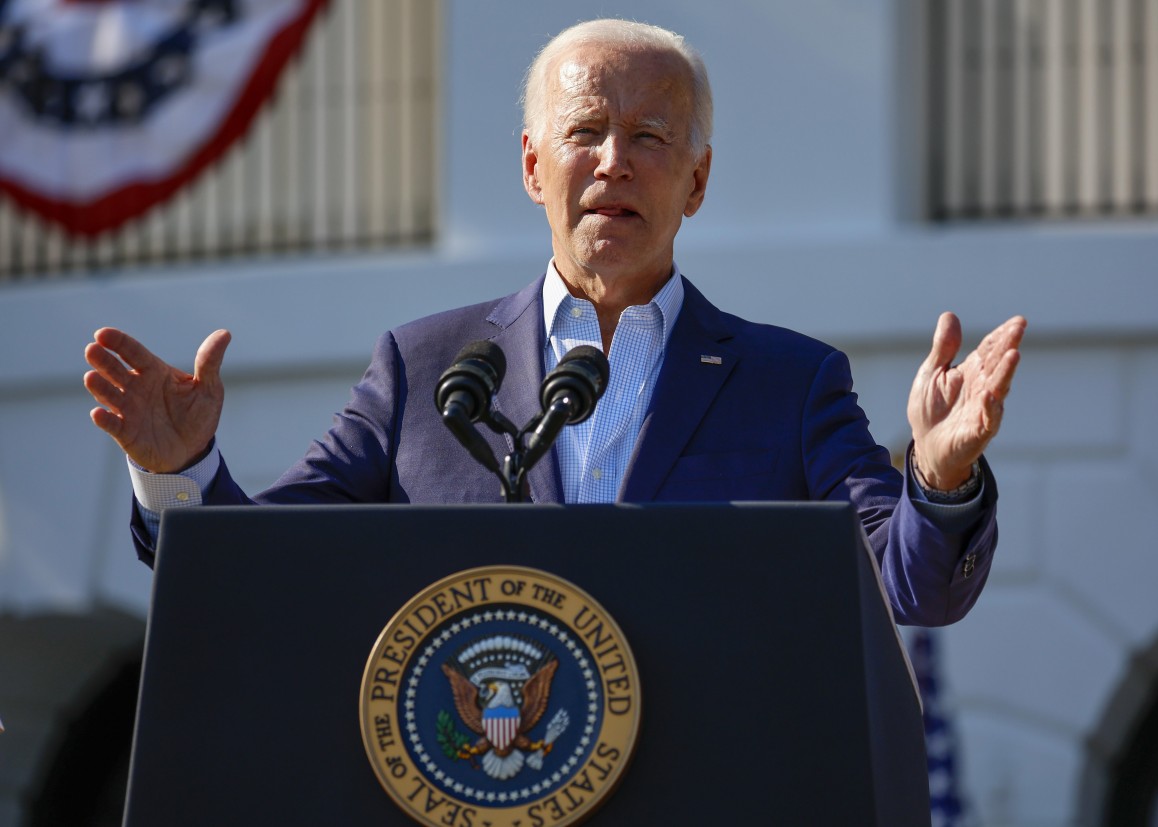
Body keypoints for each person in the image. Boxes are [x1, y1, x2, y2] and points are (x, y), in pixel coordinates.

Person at [83, 19, 1024, 626]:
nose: (614, 162)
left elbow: (910, 584)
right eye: (584, 133)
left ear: (695, 182)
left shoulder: (789, 381)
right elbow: (263, 577)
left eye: (650, 138)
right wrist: (180, 472)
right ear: (535, 167)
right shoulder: (425, 368)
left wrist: (937, 476)